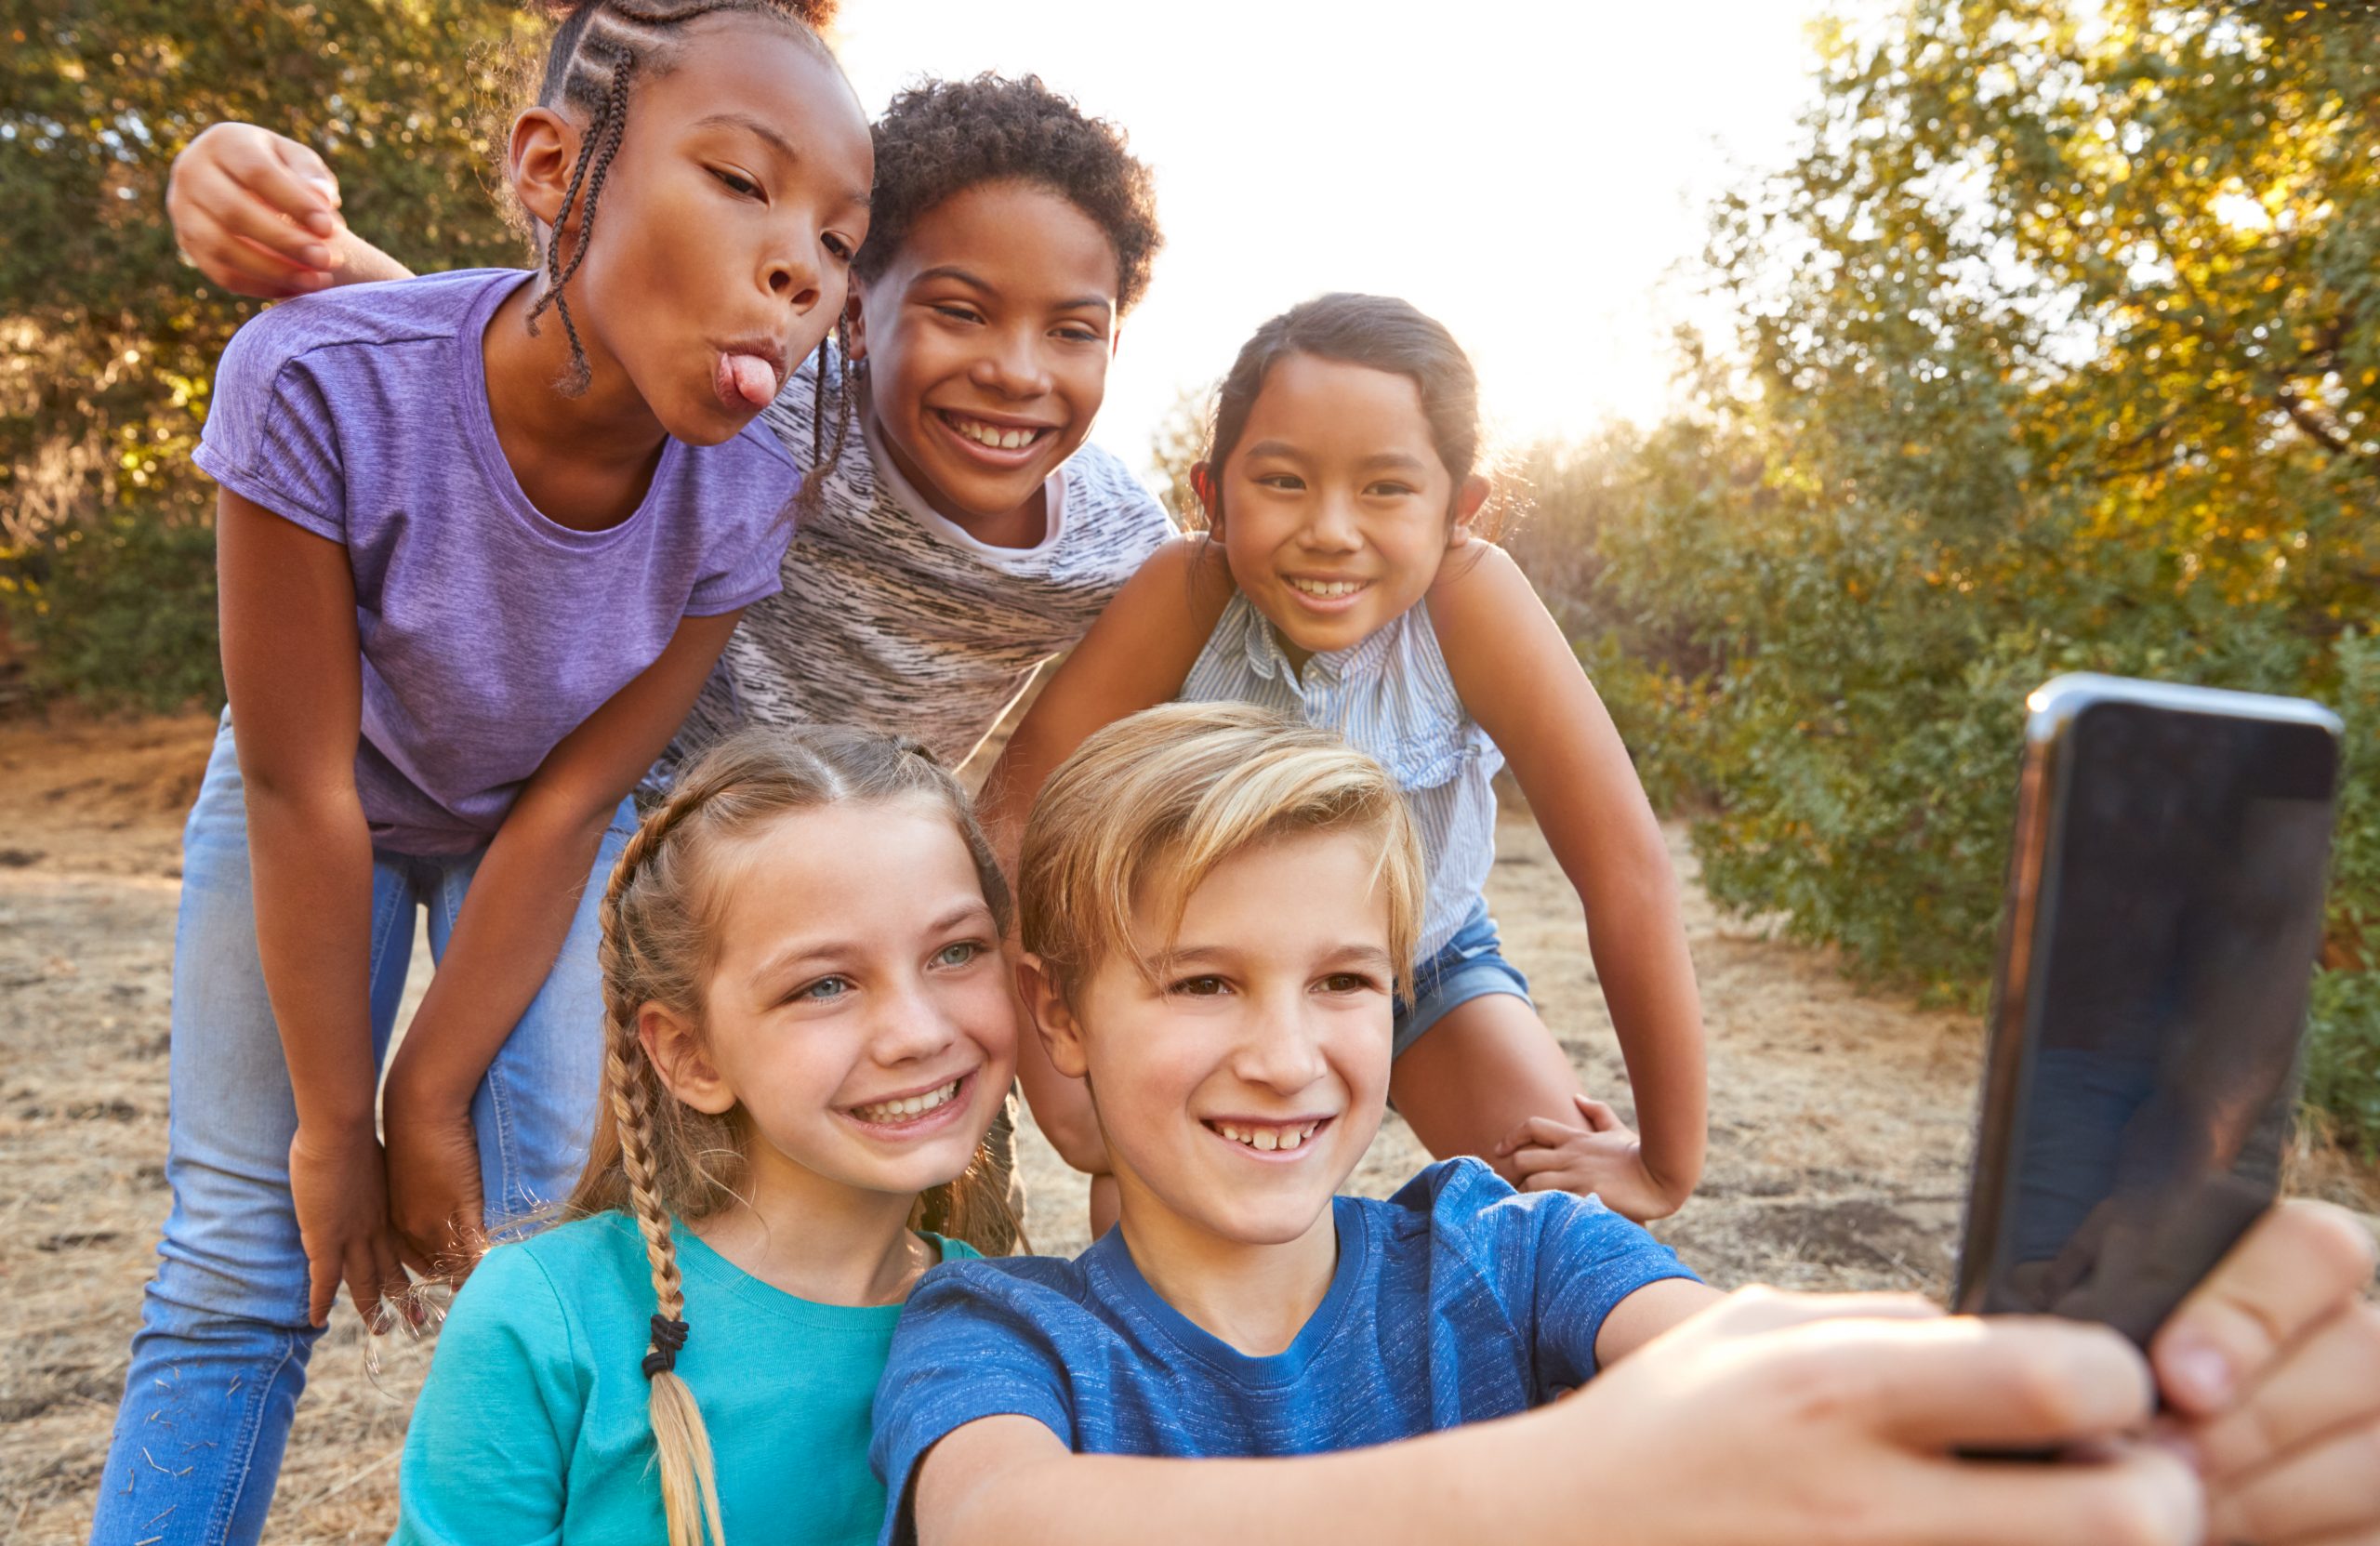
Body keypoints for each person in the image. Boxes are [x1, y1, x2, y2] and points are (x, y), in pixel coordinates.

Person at [878, 701, 2380, 1546]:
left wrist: (2082, 1416)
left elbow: (1756, 1366)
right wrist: (1597, 1484)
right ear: (1059, 1015)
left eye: (1342, 980)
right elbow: (1006, 1521)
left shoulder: (1507, 1251)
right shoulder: (999, 1331)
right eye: (1203, 979)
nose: (1285, 1054)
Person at [93, 5, 870, 1541]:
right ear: (550, 166)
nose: (798, 270)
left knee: (553, 1245)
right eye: (740, 181)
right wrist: (341, 1119)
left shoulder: (750, 486)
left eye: (840, 242)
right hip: (322, 799)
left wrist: (431, 1090)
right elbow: (304, 788)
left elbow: (578, 799)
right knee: (249, 1256)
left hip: (540, 825)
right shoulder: (314, 379)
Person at [165, 71, 1179, 1235]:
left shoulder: (1115, 550)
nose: (1015, 368)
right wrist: (279, 206)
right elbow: (535, 373)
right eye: (958, 310)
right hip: (624, 840)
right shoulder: (765, 410)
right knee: (604, 1218)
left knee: (928, 1245)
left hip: (846, 888)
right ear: (854, 309)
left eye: (1072, 330)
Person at [982, 295, 1704, 1231]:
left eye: (1385, 489)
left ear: (1459, 508)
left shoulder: (1469, 605)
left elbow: (1624, 871)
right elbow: (1010, 817)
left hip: (1427, 964)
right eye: (1282, 482)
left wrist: (1663, 1162)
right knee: (1157, 1232)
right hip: (1211, 979)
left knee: (1566, 1224)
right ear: (1211, 495)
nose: (1329, 528)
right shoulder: (1188, 594)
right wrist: (1062, 1090)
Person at [391, 727, 1021, 1546]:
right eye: (824, 984)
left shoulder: (1014, 1333)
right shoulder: (544, 1320)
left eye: (956, 951)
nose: (915, 1031)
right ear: (690, 1055)